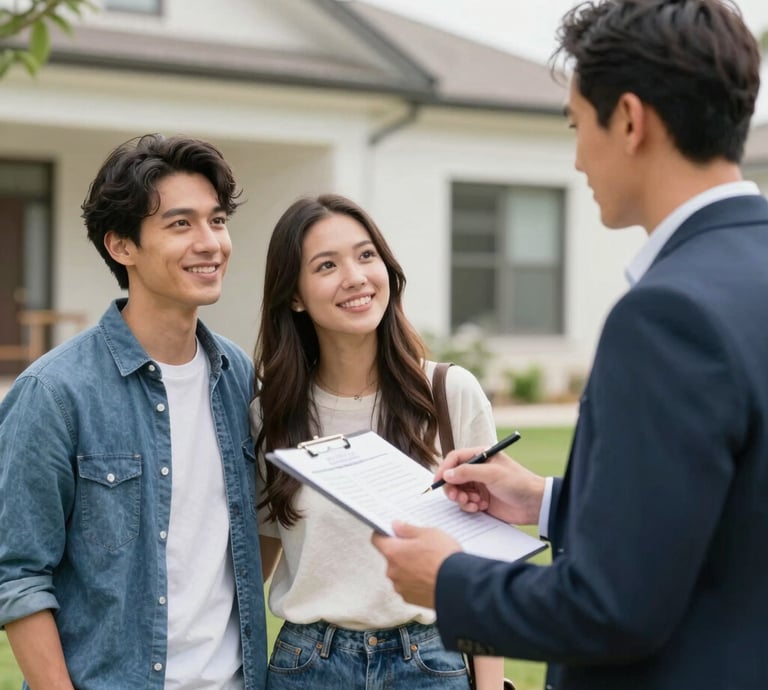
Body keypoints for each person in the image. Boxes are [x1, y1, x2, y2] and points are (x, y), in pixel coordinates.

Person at [372, 1, 768, 689]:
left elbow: (613, 609)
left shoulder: (667, 314)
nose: (578, 155)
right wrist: (547, 501)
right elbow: (728, 519)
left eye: (577, 124)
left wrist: (448, 580)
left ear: (630, 121)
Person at [0, 134, 267, 689]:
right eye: (180, 224)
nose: (210, 243)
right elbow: (17, 574)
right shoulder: (54, 392)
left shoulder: (238, 376)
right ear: (121, 246)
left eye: (216, 221)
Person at [251, 193, 505, 689]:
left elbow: (484, 569)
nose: (355, 276)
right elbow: (253, 566)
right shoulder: (271, 413)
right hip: (308, 665)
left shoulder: (450, 394)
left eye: (366, 255)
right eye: (327, 265)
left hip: (431, 662)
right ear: (295, 296)